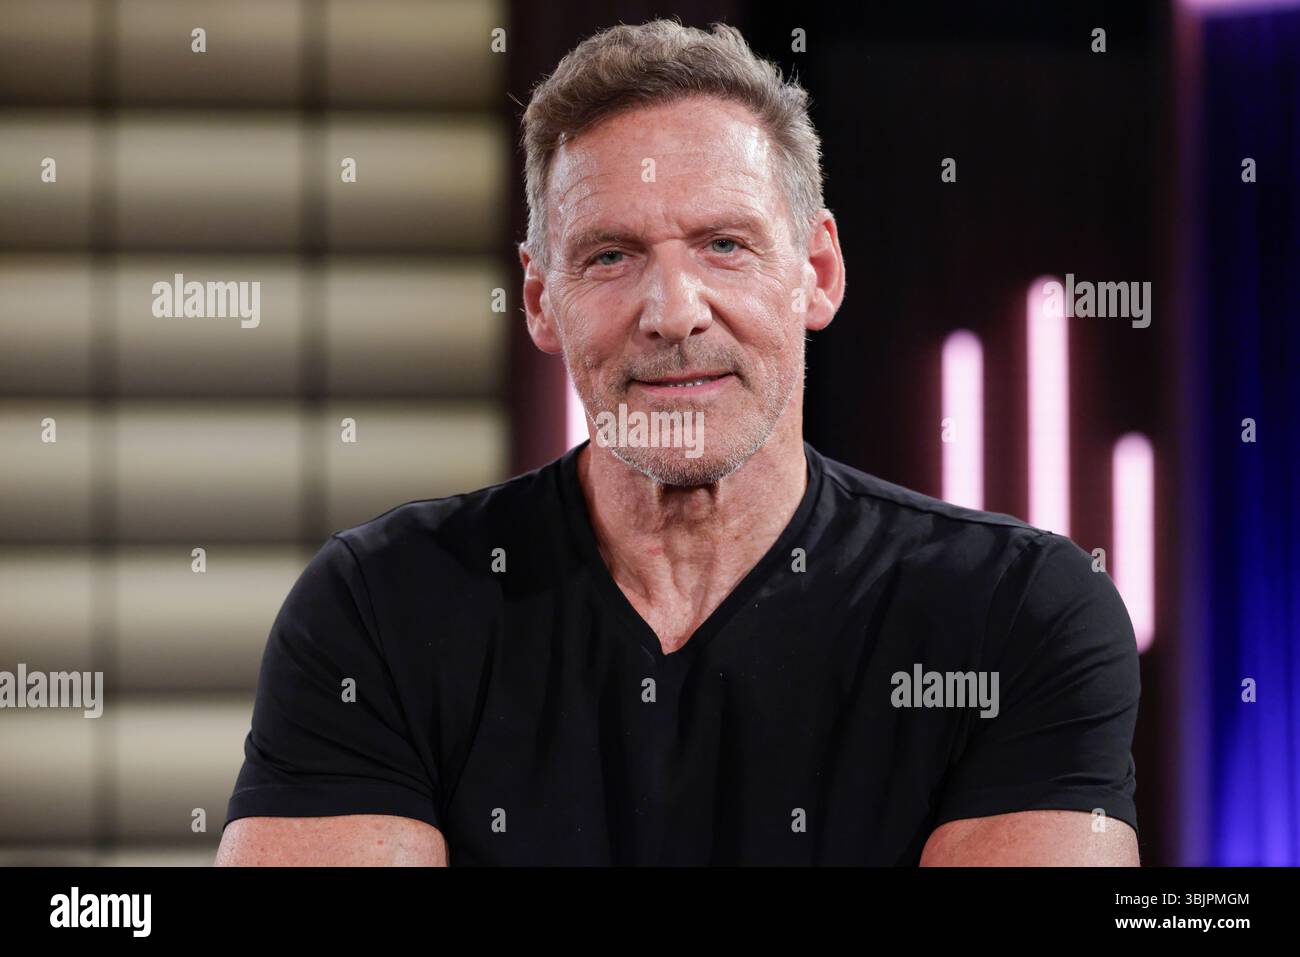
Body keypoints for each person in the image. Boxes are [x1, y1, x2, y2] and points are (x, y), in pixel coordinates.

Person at [216, 19, 1139, 866]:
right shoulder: (382, 608)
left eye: (724, 245)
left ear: (815, 273)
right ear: (541, 300)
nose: (672, 313)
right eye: (611, 256)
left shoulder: (1018, 614)